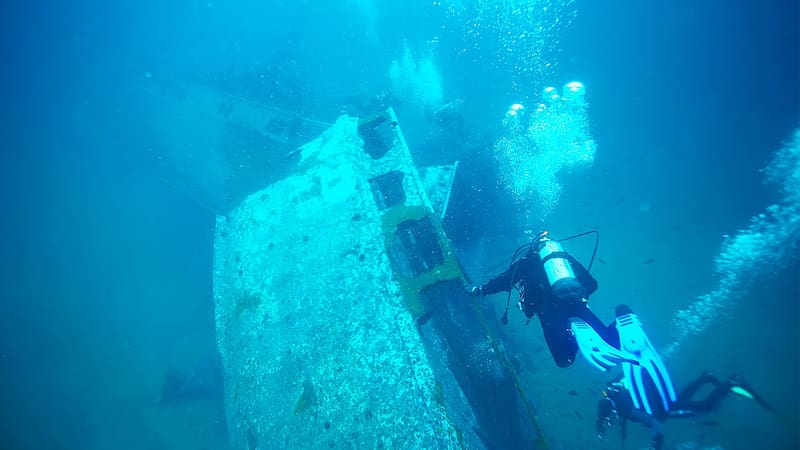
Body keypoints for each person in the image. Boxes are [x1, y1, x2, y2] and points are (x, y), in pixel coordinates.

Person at [466, 231, 617, 367]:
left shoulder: (526, 260)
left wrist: (480, 290)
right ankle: (621, 319)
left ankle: (575, 337)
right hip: (577, 305)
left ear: (533, 246)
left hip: (549, 313)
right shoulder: (565, 259)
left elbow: (503, 281)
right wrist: (575, 297)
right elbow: (592, 284)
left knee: (564, 360)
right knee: (611, 342)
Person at [596, 373, 774, 449]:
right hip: (659, 396)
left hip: (661, 409)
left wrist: (656, 442)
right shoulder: (615, 395)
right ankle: (705, 378)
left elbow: (654, 422)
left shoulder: (624, 409)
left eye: (609, 421)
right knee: (678, 400)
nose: (611, 422)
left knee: (704, 408)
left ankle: (730, 384)